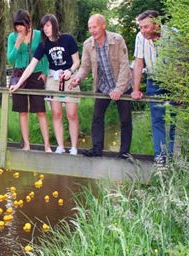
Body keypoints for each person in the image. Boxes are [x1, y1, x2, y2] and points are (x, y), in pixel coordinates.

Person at [10, 14, 80, 155]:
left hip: (69, 78)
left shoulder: (68, 39)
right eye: (43, 27)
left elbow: (77, 61)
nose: (46, 29)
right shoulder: (44, 44)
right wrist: (18, 84)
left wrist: (70, 71)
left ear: (54, 24)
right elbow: (31, 66)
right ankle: (60, 146)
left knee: (72, 114)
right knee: (56, 113)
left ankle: (74, 147)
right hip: (54, 81)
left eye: (48, 25)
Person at [70, 14, 132, 158]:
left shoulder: (117, 40)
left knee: (125, 120)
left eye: (95, 27)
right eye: (90, 27)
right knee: (97, 118)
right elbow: (85, 67)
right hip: (103, 86)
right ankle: (97, 149)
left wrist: (118, 89)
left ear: (103, 25)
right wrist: (77, 78)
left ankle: (124, 153)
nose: (92, 30)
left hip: (122, 85)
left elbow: (124, 66)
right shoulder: (87, 44)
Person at [131, 10, 176, 163]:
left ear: (156, 24)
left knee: (175, 120)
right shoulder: (140, 37)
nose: (142, 31)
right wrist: (136, 89)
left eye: (146, 27)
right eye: (141, 27)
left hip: (174, 81)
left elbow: (182, 65)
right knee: (157, 120)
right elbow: (138, 63)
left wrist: (181, 91)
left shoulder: (173, 35)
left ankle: (174, 157)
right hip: (154, 81)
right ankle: (161, 158)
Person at [7, 9, 51, 152]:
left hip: (36, 74)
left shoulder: (38, 35)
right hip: (19, 74)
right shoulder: (12, 37)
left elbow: (45, 55)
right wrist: (17, 44)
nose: (19, 28)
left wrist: (45, 72)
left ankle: (47, 145)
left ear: (28, 23)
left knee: (40, 111)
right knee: (22, 111)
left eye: (22, 25)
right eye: (17, 25)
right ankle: (26, 144)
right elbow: (10, 59)